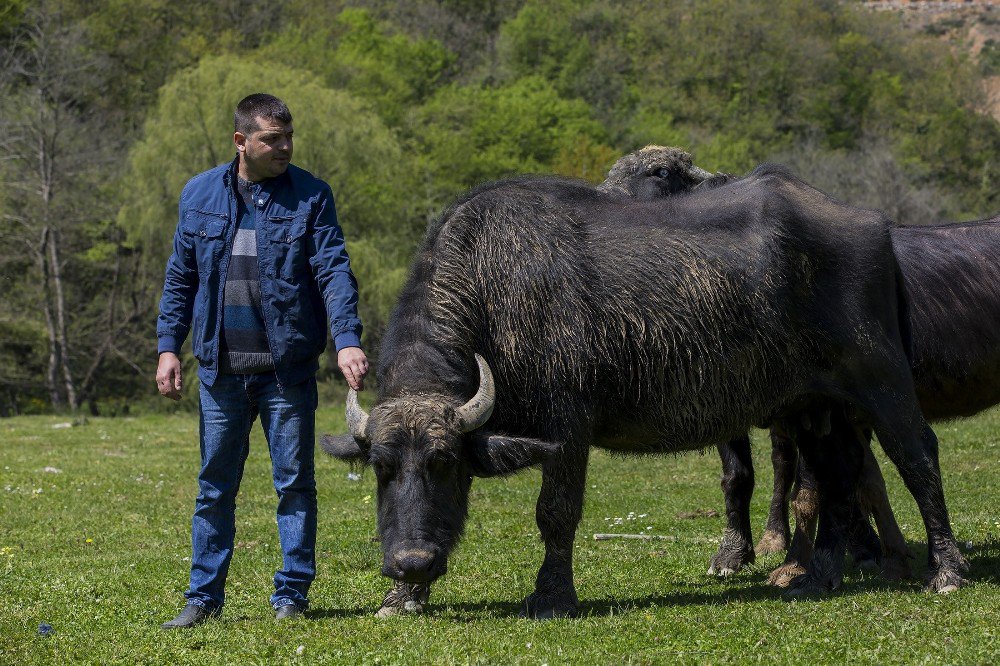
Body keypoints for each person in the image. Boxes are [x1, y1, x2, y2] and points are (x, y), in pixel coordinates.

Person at [156, 93, 368, 628]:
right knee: (213, 487)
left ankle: (291, 596)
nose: (285, 147)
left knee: (294, 485)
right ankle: (203, 598)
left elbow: (333, 270)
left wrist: (346, 338)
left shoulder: (312, 196)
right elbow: (180, 278)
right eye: (272, 139)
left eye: (289, 136)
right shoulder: (198, 194)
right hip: (220, 372)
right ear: (241, 141)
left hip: (286, 373)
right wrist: (167, 347)